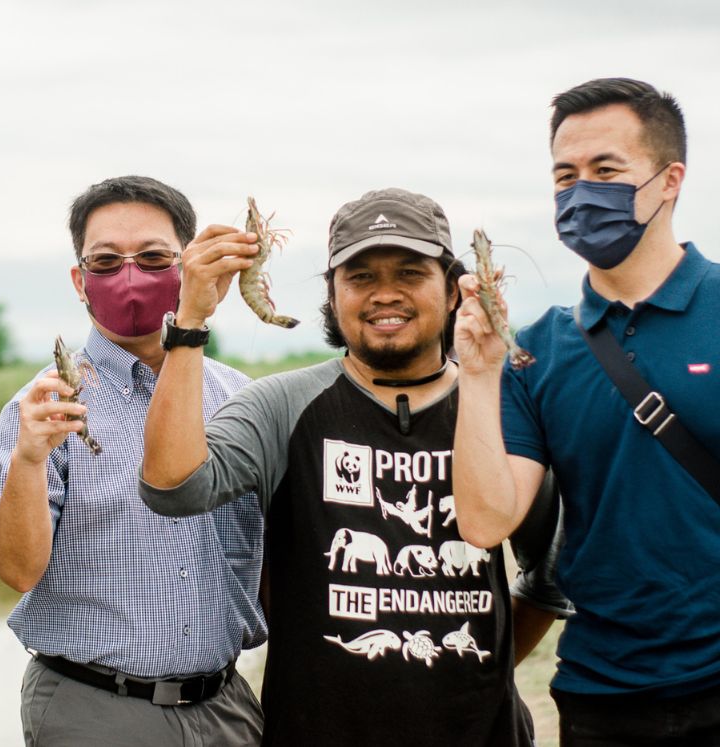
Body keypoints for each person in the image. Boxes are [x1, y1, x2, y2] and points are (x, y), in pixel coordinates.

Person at [141, 188, 553, 746]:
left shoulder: (504, 406)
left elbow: (549, 576)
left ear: (455, 289)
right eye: (360, 278)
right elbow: (173, 488)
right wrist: (189, 322)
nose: (386, 294)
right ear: (332, 295)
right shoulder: (280, 406)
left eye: (410, 272)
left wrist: (476, 665)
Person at [453, 77, 720, 744]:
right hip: (600, 695)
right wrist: (480, 376)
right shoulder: (536, 351)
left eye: (606, 170)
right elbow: (487, 519)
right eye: (565, 176)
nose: (580, 193)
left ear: (669, 180)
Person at [0, 175, 266, 746]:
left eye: (154, 257)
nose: (129, 276)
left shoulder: (242, 403)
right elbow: (17, 571)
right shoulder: (40, 407)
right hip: (93, 707)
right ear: (79, 281)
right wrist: (30, 460)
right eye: (106, 261)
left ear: (188, 265)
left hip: (226, 706)